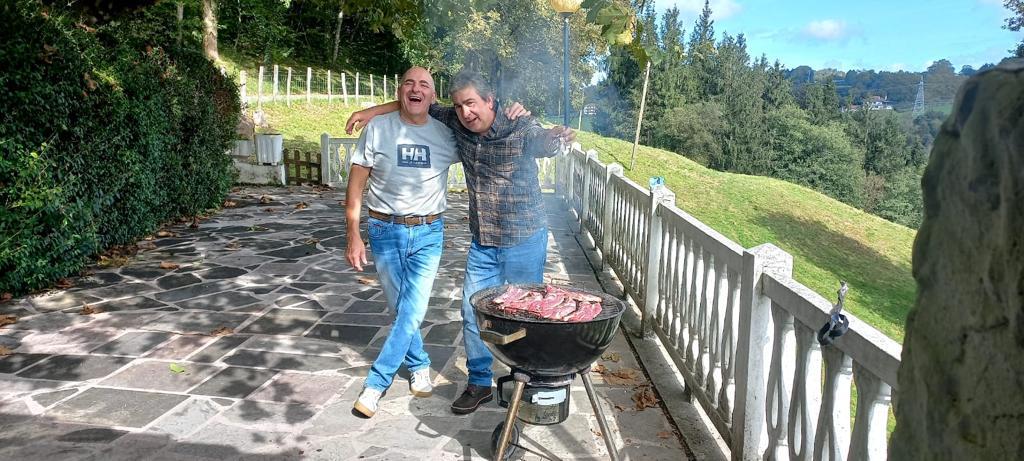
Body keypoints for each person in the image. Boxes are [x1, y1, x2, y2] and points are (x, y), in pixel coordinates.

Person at [346, 70, 575, 415]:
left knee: (527, 313)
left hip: (524, 238)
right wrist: (371, 111)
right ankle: (479, 382)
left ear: (490, 101)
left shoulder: (519, 127)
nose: (466, 112)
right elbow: (417, 105)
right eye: (459, 105)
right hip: (483, 242)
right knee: (471, 311)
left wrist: (557, 136)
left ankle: (527, 379)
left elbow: (544, 140)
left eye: (471, 103)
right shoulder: (455, 121)